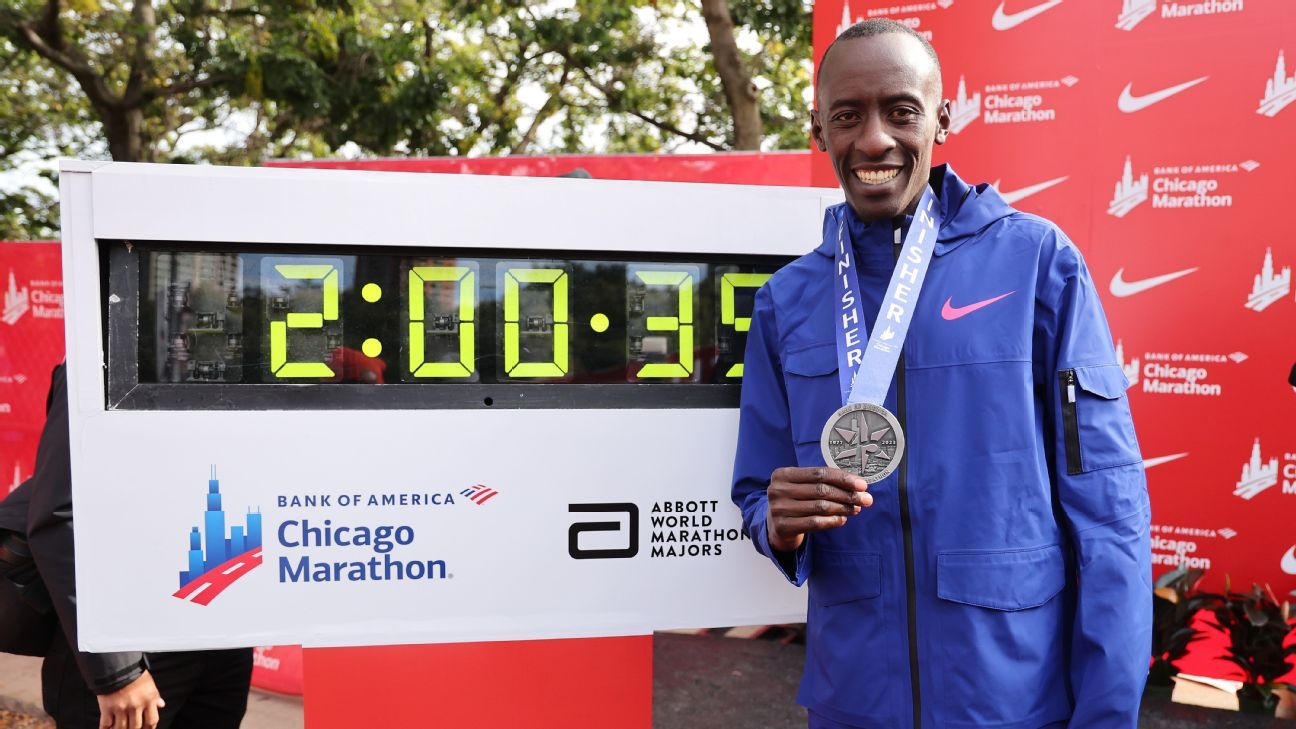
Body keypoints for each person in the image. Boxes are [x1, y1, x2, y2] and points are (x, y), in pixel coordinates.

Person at [731, 19, 1151, 729]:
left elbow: (1108, 515)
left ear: (943, 118)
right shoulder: (787, 301)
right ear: (818, 129)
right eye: (847, 115)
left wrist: (1107, 713)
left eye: (901, 111)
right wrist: (776, 523)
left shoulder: (1037, 263)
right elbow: (755, 488)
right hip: (852, 700)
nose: (873, 140)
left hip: (1011, 700)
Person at [26, 363, 254, 729]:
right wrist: (117, 670)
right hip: (134, 646)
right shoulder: (102, 348)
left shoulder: (238, 353)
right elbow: (62, 517)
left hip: (222, 642)